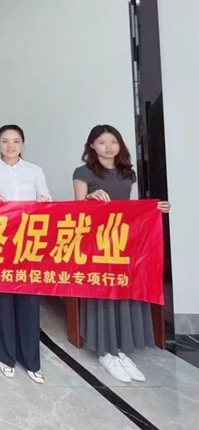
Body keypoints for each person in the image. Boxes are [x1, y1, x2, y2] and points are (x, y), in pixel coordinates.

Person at [73, 124, 170, 383]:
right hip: (96, 242)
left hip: (124, 241)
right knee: (103, 290)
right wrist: (90, 198)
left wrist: (155, 209)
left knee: (125, 288)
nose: (108, 147)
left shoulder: (128, 174)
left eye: (113, 142)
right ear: (91, 146)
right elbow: (75, 209)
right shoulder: (83, 172)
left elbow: (131, 208)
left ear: (120, 145)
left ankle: (122, 348)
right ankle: (105, 351)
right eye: (102, 142)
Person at [0, 125, 51, 384]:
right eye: (5, 141)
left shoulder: (35, 171)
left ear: (22, 144)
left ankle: (31, 360)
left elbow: (47, 200)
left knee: (29, 300)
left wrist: (44, 202)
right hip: (1, 242)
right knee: (4, 300)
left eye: (16, 141)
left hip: (29, 242)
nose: (10, 146)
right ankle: (6, 356)